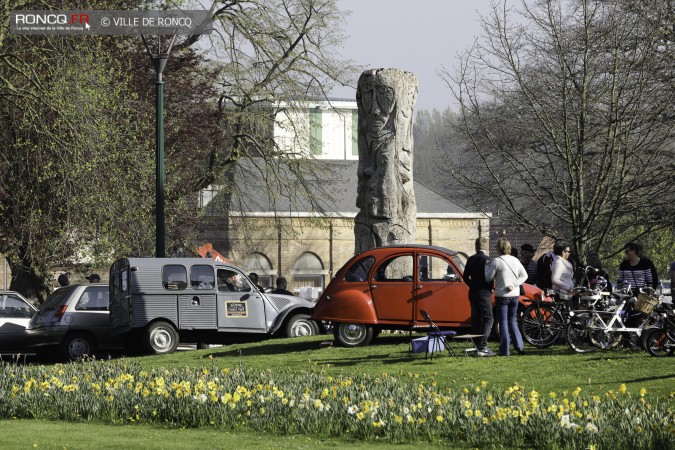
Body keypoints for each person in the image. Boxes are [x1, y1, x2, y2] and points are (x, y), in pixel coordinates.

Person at [485, 238, 527, 356]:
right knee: (513, 321)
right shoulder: (515, 260)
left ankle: (505, 350)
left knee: (503, 323)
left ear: (498, 249)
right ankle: (519, 346)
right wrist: (514, 284)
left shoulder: (496, 261)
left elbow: (488, 277)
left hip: (502, 295)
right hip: (514, 294)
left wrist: (486, 267)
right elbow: (524, 275)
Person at [463, 237, 495, 357]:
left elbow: (465, 277)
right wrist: (490, 287)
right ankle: (482, 346)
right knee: (488, 318)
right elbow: (490, 277)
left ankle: (476, 344)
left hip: (473, 292)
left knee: (475, 318)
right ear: (486, 247)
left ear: (476, 246)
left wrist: (472, 285)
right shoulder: (488, 260)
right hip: (484, 292)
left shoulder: (470, 259)